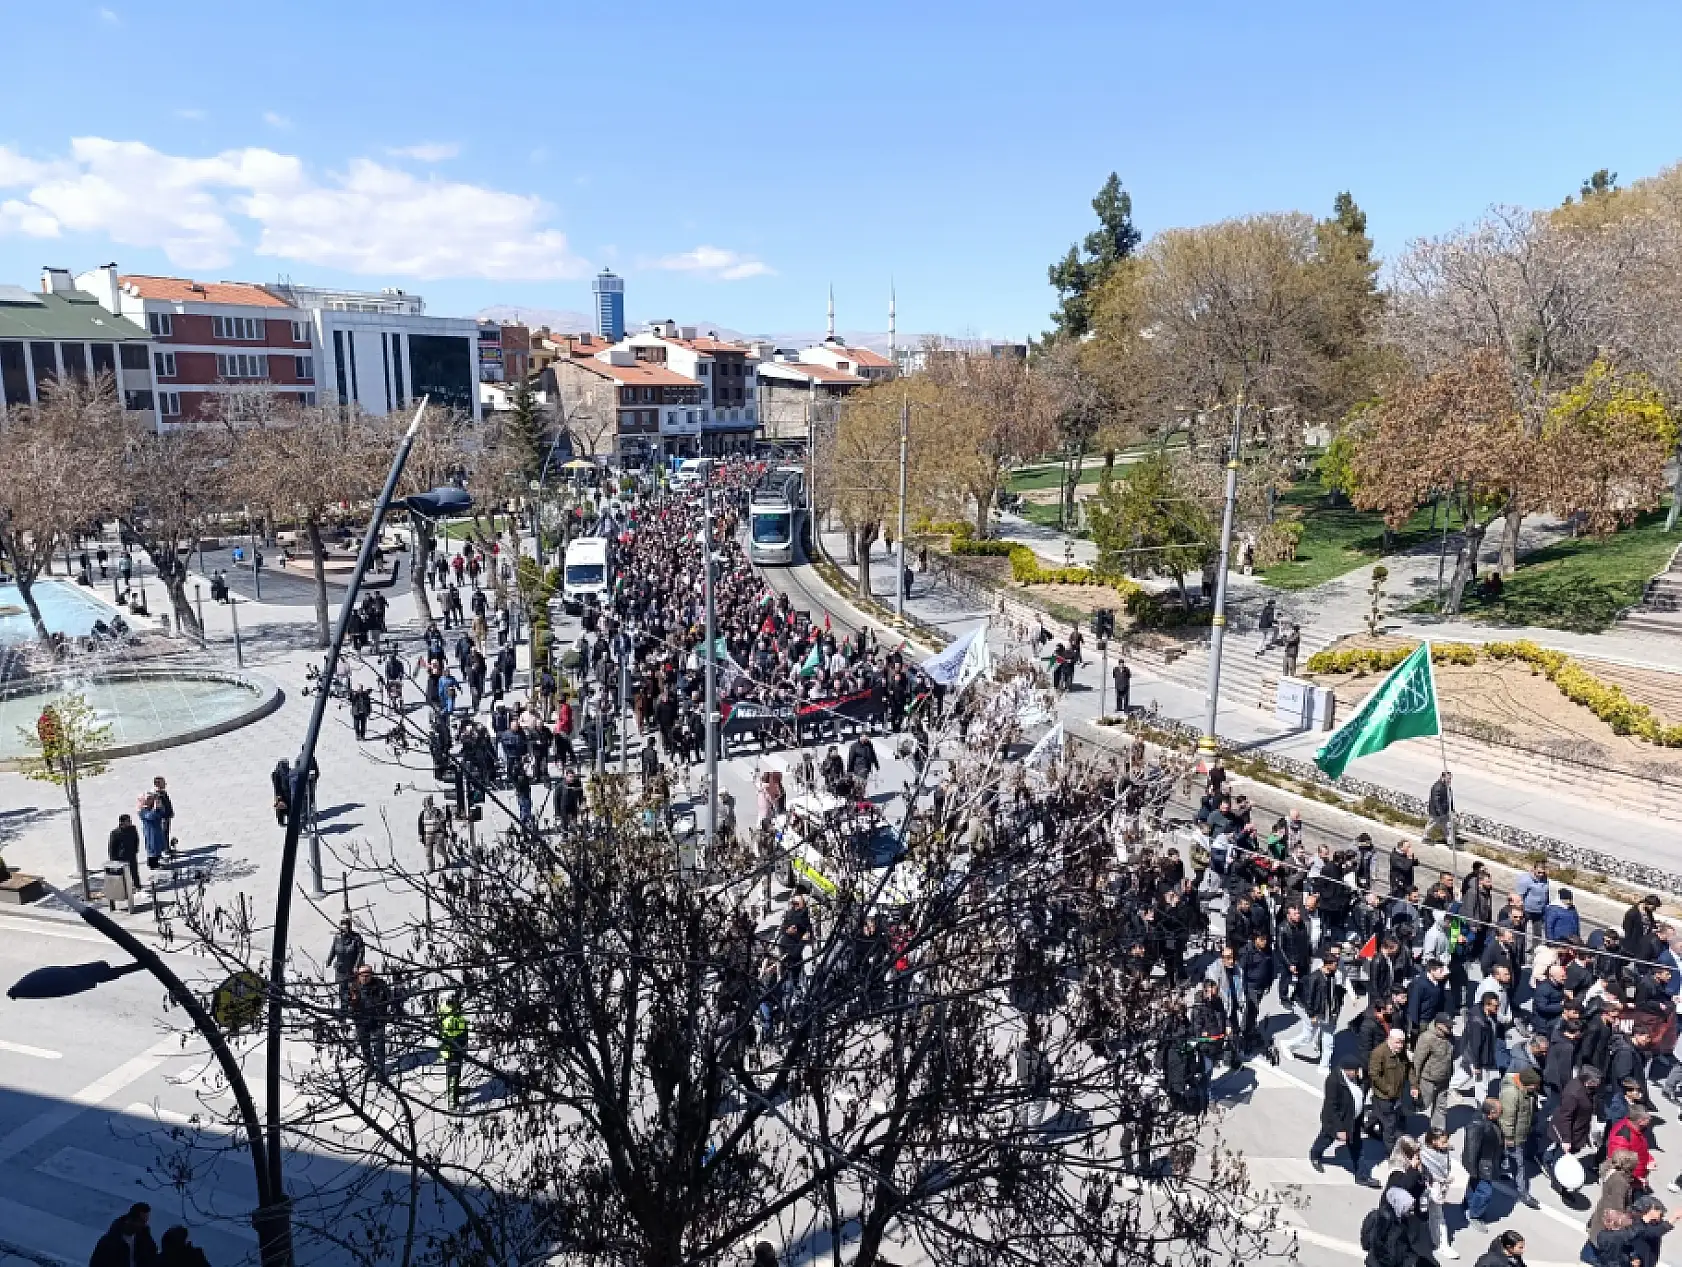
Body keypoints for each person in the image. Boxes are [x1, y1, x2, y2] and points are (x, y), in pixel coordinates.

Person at [1311, 1059, 1377, 1186]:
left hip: (1354, 1119)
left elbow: (1366, 1085)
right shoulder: (1333, 1081)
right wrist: (1339, 1129)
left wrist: (1364, 1078)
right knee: (1326, 1139)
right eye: (1355, 1071)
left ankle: (1361, 1176)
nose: (1358, 1073)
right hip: (1337, 1120)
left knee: (1357, 1147)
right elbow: (1331, 1107)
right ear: (1347, 1071)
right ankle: (1315, 1154)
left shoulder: (1358, 1078)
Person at [1498, 1067, 1543, 1209]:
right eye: (1535, 1086)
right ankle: (1523, 1193)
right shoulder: (1511, 1094)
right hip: (1513, 1136)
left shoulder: (1524, 1091)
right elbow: (1508, 1118)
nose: (1536, 1089)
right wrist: (1509, 1137)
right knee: (1519, 1164)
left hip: (1520, 1133)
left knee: (1506, 1157)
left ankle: (1499, 1171)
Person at [1460, 1097, 1504, 1234]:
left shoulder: (1488, 1121)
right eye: (1499, 1112)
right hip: (1482, 1163)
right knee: (1485, 1192)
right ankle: (1475, 1215)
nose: (1501, 1114)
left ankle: (1469, 1204)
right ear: (1491, 1112)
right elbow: (1471, 1148)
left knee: (1475, 1185)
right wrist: (1472, 1168)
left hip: (1486, 1161)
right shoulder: (1478, 1125)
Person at [1412, 1014, 1456, 1132]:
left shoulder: (1450, 1038)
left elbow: (1451, 1058)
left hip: (1444, 1079)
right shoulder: (1426, 1038)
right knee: (1422, 1104)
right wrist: (1414, 1083)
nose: (1451, 1029)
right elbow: (1417, 1061)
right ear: (1439, 1026)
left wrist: (1450, 1072)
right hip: (1428, 1079)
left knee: (1441, 1106)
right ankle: (1402, 1115)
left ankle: (1437, 1131)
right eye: (1448, 1027)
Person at [1369, 1028, 1411, 1152]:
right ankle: (1391, 1151)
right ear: (1390, 1039)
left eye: (1402, 1042)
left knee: (1378, 1114)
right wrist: (1388, 1089)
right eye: (1398, 1042)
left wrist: (1413, 1086)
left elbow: (1408, 1068)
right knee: (1390, 1124)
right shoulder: (1379, 1053)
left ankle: (1368, 1127)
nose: (1401, 1045)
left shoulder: (1401, 1052)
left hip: (1396, 1094)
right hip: (1384, 1096)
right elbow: (1374, 1075)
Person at [1420, 1127, 1459, 1259]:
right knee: (1422, 1216)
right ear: (1433, 1142)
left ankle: (1441, 1244)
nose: (1446, 1144)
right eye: (1443, 1142)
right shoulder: (1423, 1154)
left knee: (1437, 1216)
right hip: (1426, 1189)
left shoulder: (1444, 1151)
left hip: (1438, 1189)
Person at [349, 964, 392, 1080]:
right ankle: (369, 1065)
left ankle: (380, 1070)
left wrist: (388, 1014)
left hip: (377, 1021)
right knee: (365, 1046)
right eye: (361, 976)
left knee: (379, 1047)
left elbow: (390, 1000)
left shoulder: (380, 986)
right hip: (361, 1021)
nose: (364, 978)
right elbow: (346, 1002)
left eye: (367, 975)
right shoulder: (353, 987)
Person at [326, 917, 365, 1011]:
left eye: (346, 928)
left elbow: (361, 952)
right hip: (341, 968)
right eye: (342, 929)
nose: (344, 931)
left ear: (349, 928)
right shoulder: (337, 938)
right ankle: (343, 1010)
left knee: (353, 990)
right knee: (342, 990)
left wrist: (357, 965)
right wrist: (329, 960)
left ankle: (354, 1009)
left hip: (352, 969)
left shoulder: (356, 938)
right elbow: (333, 949)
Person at [438, 991, 468, 1109]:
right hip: (453, 1049)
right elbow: (455, 1033)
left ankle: (455, 1091)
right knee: (453, 1074)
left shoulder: (449, 1011)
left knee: (455, 1072)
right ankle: (452, 1102)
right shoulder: (451, 1017)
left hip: (456, 1048)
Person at [107, 812, 141, 893]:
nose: (130, 822)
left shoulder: (133, 829)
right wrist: (113, 859)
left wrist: (135, 849)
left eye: (130, 820)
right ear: (122, 822)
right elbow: (112, 847)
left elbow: (136, 839)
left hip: (131, 854)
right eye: (128, 821)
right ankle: (123, 889)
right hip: (121, 857)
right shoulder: (115, 833)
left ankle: (137, 886)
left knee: (134, 872)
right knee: (123, 874)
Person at [138, 793, 169, 870]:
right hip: (150, 831)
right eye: (148, 799)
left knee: (158, 844)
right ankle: (152, 864)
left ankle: (158, 859)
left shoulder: (152, 807)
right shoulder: (142, 810)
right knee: (152, 846)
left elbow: (161, 813)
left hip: (157, 829)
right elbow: (150, 816)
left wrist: (159, 806)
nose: (150, 800)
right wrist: (155, 809)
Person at [418, 795, 448, 873]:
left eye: (429, 803)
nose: (428, 806)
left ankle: (446, 859)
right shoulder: (423, 814)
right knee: (428, 852)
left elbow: (443, 821)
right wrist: (421, 835)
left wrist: (444, 831)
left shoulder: (437, 811)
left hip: (437, 832)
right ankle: (431, 867)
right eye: (426, 804)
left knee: (439, 849)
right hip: (427, 834)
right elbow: (420, 825)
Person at [1425, 772, 1455, 844]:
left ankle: (1449, 841)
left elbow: (1449, 799)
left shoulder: (1447, 787)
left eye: (1450, 779)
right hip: (1436, 812)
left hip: (1444, 812)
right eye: (1448, 778)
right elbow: (1436, 801)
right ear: (1443, 777)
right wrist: (1440, 813)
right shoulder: (1437, 787)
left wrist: (1451, 809)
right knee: (1431, 825)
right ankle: (1425, 837)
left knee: (1447, 826)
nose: (1449, 780)